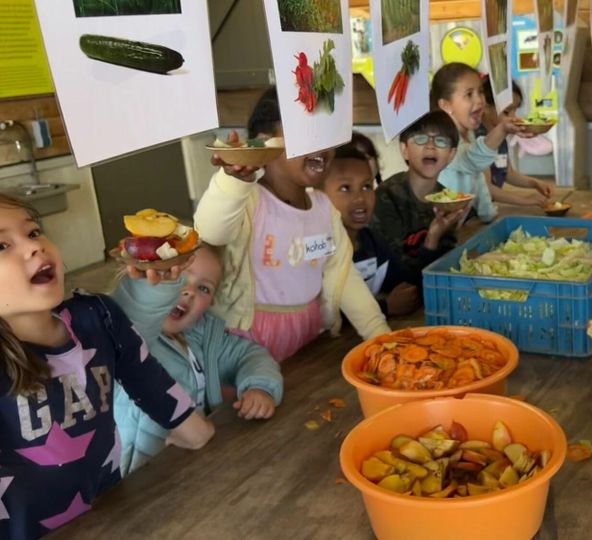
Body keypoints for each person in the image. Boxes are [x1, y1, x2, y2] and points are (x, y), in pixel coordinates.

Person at [0, 194, 213, 538]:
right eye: (2, 246)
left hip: (111, 514)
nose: (33, 247)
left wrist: (195, 433)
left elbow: (146, 377)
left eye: (34, 232)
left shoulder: (96, 315)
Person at [196, 87, 390, 362]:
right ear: (266, 143)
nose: (321, 148)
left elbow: (344, 276)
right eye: (307, 134)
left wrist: (379, 336)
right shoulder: (248, 201)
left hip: (307, 334)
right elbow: (210, 232)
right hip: (247, 343)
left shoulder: (324, 209)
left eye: (328, 136)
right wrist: (233, 181)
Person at [112, 245, 283, 475]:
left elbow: (249, 354)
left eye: (203, 288)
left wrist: (260, 387)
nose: (189, 291)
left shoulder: (201, 336)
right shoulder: (133, 340)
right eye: (176, 277)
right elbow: (132, 318)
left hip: (195, 462)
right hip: (143, 475)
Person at [321, 143, 421, 317]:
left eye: (367, 186)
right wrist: (384, 307)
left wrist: (433, 239)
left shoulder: (371, 241)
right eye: (345, 188)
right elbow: (315, 315)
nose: (360, 198)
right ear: (319, 195)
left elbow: (408, 287)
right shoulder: (314, 250)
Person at [372, 111, 468, 279]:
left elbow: (445, 267)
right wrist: (432, 239)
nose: (430, 146)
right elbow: (399, 277)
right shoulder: (385, 198)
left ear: (451, 155)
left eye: (440, 141)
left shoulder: (448, 201)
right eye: (420, 139)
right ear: (405, 150)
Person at [430, 62, 528, 223]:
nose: (480, 100)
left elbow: (478, 177)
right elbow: (471, 160)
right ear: (446, 105)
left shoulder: (469, 134)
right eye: (469, 94)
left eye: (480, 92)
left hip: (458, 224)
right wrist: (502, 129)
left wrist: (488, 213)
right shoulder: (441, 139)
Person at [477, 79, 553, 207]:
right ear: (485, 107)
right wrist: (526, 200)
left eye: (515, 111)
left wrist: (535, 183)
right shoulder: (479, 139)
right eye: (507, 112)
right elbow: (487, 188)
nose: (514, 117)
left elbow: (508, 173)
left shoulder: (500, 135)